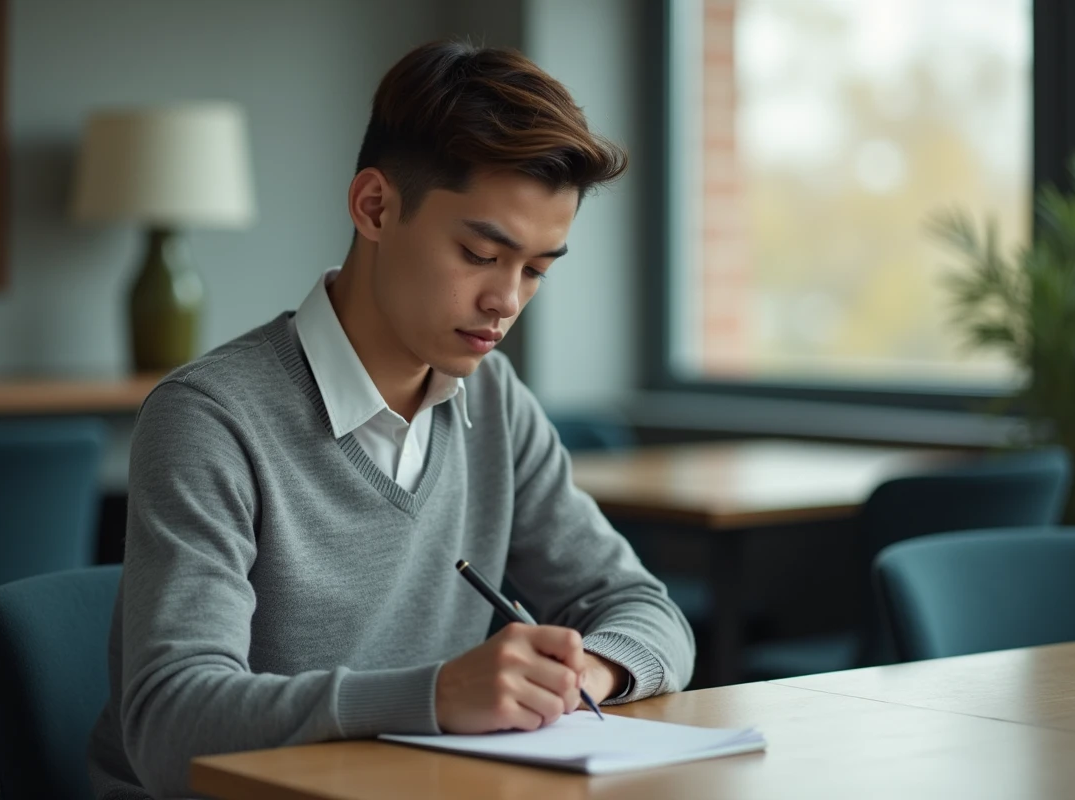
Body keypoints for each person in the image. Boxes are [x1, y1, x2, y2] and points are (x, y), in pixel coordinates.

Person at [88, 39, 695, 798]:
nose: (507, 301)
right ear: (374, 207)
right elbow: (171, 724)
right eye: (480, 253)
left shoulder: (495, 400)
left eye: (536, 269)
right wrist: (437, 696)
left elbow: (644, 610)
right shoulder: (210, 420)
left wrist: (585, 674)